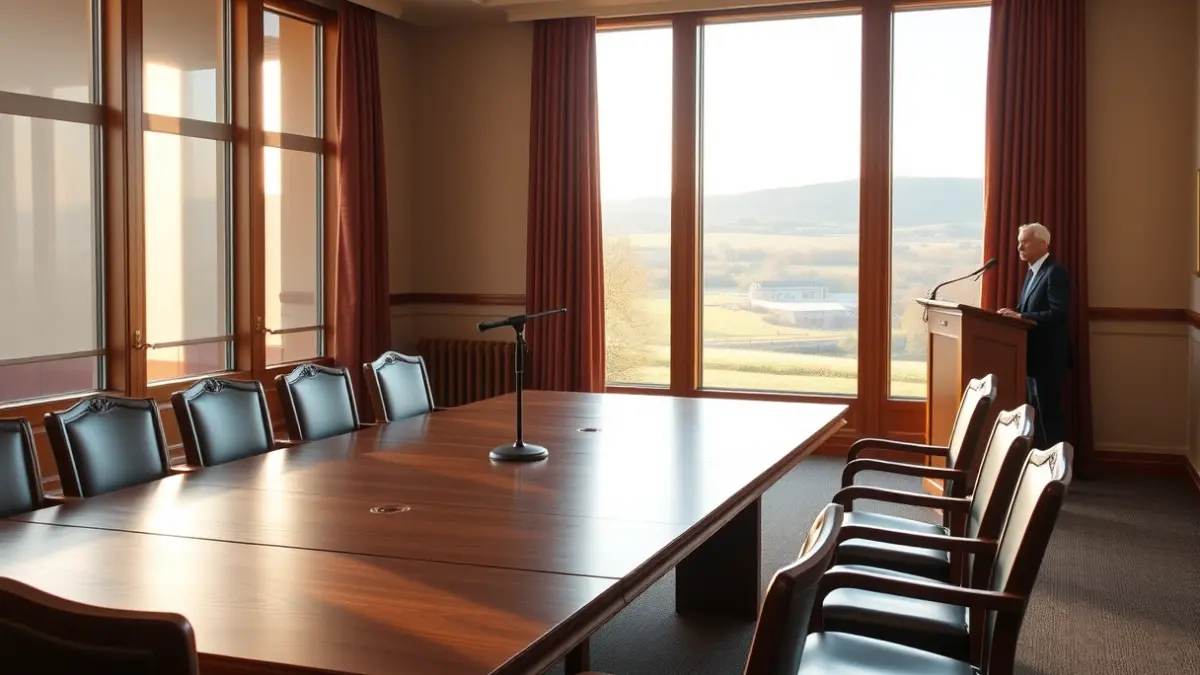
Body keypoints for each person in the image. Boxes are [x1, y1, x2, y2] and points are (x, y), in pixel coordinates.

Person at [998, 222, 1070, 449]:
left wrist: (1021, 317)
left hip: (1048, 358)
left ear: (1043, 243)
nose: (1019, 247)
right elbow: (1027, 307)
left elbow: (1058, 312)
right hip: (1033, 358)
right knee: (1036, 415)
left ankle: (1054, 473)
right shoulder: (1032, 272)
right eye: (1019, 242)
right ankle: (1037, 468)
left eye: (1025, 241)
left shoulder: (1054, 272)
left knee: (1049, 416)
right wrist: (1013, 314)